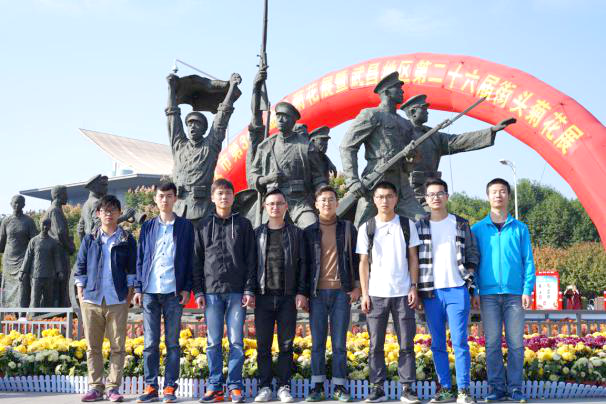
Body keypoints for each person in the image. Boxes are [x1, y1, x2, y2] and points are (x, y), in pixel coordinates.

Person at [471, 178, 536, 403]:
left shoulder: (520, 228)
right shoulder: (477, 229)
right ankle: (496, 388)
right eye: (494, 192)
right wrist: (475, 291)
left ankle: (515, 388)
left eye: (502, 191)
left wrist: (527, 289)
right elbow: (473, 263)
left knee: (516, 343)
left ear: (508, 195)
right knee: (492, 344)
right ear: (488, 196)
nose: (498, 195)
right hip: (488, 295)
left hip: (515, 294)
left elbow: (528, 261)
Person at [193, 179, 257, 403]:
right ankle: (215, 386)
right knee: (213, 342)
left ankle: (235, 386)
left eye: (228, 193)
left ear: (233, 197)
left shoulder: (243, 225)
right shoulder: (203, 226)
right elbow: (196, 261)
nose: (224, 197)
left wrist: (249, 289)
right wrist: (198, 291)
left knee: (236, 341)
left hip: (237, 292)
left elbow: (251, 259)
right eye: (220, 193)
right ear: (212, 197)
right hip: (211, 292)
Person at [356, 181, 421, 404]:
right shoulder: (367, 227)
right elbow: (363, 262)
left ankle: (407, 388)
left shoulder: (406, 224)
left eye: (389, 196)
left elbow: (413, 258)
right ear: (374, 200)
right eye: (380, 196)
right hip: (376, 293)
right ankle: (377, 388)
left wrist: (413, 286)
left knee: (406, 344)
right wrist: (365, 293)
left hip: (403, 292)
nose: (385, 201)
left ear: (396, 199)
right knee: (375, 345)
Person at [415, 178, 478, 404]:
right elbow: (413, 259)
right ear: (426, 199)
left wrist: (469, 282)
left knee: (460, 342)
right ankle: (445, 389)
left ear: (447, 196)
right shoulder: (419, 225)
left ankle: (463, 390)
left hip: (457, 289)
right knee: (437, 344)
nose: (436, 198)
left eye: (440, 193)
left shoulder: (460, 223)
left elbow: (472, 253)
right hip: (431, 292)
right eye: (431, 194)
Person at [134, 181, 195, 403]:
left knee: (172, 343)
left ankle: (170, 387)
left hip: (173, 291)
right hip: (150, 291)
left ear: (175, 198)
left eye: (169, 196)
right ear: (155, 199)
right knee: (150, 343)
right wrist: (139, 288)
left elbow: (190, 259)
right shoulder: (148, 227)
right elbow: (140, 258)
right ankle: (151, 387)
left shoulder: (185, 226)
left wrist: (187, 287)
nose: (165, 200)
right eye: (161, 196)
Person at [340, 71, 425, 228]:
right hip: (376, 180)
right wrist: (352, 181)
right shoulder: (371, 115)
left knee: (423, 222)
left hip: (402, 185)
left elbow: (411, 162)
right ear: (386, 92)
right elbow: (347, 146)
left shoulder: (405, 123)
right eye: (398, 88)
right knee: (361, 228)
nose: (402, 91)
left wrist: (411, 156)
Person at [74, 195, 137, 402]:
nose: (108, 214)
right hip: (92, 299)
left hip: (117, 299)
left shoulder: (127, 240)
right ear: (98, 213)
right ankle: (95, 387)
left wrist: (129, 293)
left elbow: (132, 269)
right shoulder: (90, 239)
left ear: (119, 213)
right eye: (104, 210)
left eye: (112, 210)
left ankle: (113, 388)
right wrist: (80, 292)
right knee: (93, 347)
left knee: (118, 347)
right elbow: (80, 266)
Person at [399, 95, 514, 206]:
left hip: (432, 189)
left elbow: (458, 141)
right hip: (407, 191)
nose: (427, 112)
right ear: (413, 112)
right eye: (424, 109)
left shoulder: (433, 135)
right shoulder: (401, 133)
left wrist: (491, 130)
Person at [304, 185, 360, 402]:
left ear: (337, 203)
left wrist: (357, 286)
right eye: (323, 200)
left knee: (339, 344)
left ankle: (339, 386)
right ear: (316, 205)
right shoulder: (308, 232)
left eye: (331, 199)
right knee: (317, 343)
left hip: (341, 293)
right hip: (317, 294)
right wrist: (303, 293)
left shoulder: (347, 228)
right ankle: (317, 386)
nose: (327, 203)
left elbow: (356, 258)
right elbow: (304, 265)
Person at [253, 188, 309, 403]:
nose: (275, 207)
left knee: (286, 345)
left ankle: (284, 386)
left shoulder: (296, 233)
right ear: (265, 207)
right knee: (263, 345)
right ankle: (265, 386)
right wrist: (250, 291)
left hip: (288, 297)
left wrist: (301, 292)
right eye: (271, 204)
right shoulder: (257, 234)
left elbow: (303, 266)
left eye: (279, 203)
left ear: (286, 206)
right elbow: (251, 266)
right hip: (263, 297)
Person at [166, 72, 241, 228]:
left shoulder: (210, 146)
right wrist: (171, 89)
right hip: (178, 210)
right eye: (190, 124)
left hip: (202, 210)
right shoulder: (179, 145)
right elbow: (172, 116)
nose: (192, 126)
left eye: (197, 123)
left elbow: (222, 117)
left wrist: (231, 88)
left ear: (205, 129)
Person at [249, 102, 328, 229]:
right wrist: (268, 179)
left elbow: (318, 178)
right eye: (278, 116)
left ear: (293, 121)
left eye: (285, 116)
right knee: (262, 233)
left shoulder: (306, 146)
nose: (280, 120)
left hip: (299, 202)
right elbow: (253, 175)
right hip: (273, 202)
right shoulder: (265, 146)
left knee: (312, 227)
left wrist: (324, 193)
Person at [0, 195, 37, 308]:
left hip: (23, 258)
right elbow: (2, 241)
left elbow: (34, 241)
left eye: (19, 202)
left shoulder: (29, 221)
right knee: (7, 286)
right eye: (15, 202)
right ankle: (7, 312)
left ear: (23, 205)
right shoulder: (6, 221)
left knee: (22, 285)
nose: (17, 205)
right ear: (11, 204)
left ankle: (22, 311)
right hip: (8, 259)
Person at [43, 185, 76, 307]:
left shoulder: (56, 209)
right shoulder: (55, 210)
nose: (67, 197)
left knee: (60, 282)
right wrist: (70, 247)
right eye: (65, 194)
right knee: (61, 281)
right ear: (58, 195)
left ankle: (61, 308)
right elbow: (60, 232)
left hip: (57, 250)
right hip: (59, 251)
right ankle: (61, 309)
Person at [20, 218, 63, 308]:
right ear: (40, 225)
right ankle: (33, 316)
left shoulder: (53, 242)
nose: (45, 227)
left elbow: (57, 258)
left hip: (49, 276)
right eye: (43, 224)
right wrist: (22, 272)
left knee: (48, 301)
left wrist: (59, 271)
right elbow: (28, 257)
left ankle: (48, 317)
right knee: (35, 300)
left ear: (50, 226)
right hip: (36, 276)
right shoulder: (33, 241)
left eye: (48, 225)